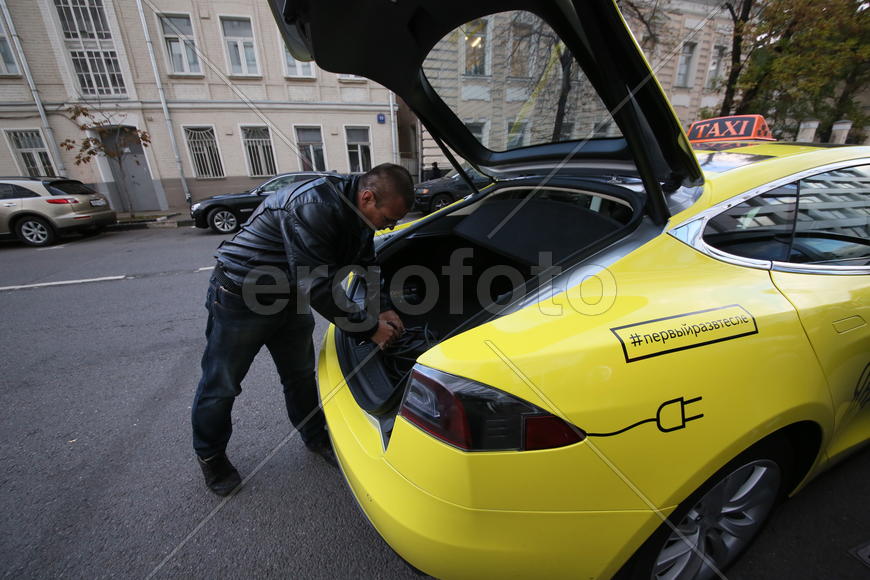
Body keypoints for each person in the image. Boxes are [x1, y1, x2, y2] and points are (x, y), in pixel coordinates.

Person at [191, 163, 413, 496]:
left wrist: (382, 307)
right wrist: (369, 329)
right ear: (367, 197)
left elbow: (366, 263)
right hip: (242, 296)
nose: (389, 226)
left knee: (298, 375)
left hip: (291, 296)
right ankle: (210, 455)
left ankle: (314, 435)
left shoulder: (359, 210)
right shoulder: (312, 206)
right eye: (388, 219)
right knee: (222, 383)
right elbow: (318, 285)